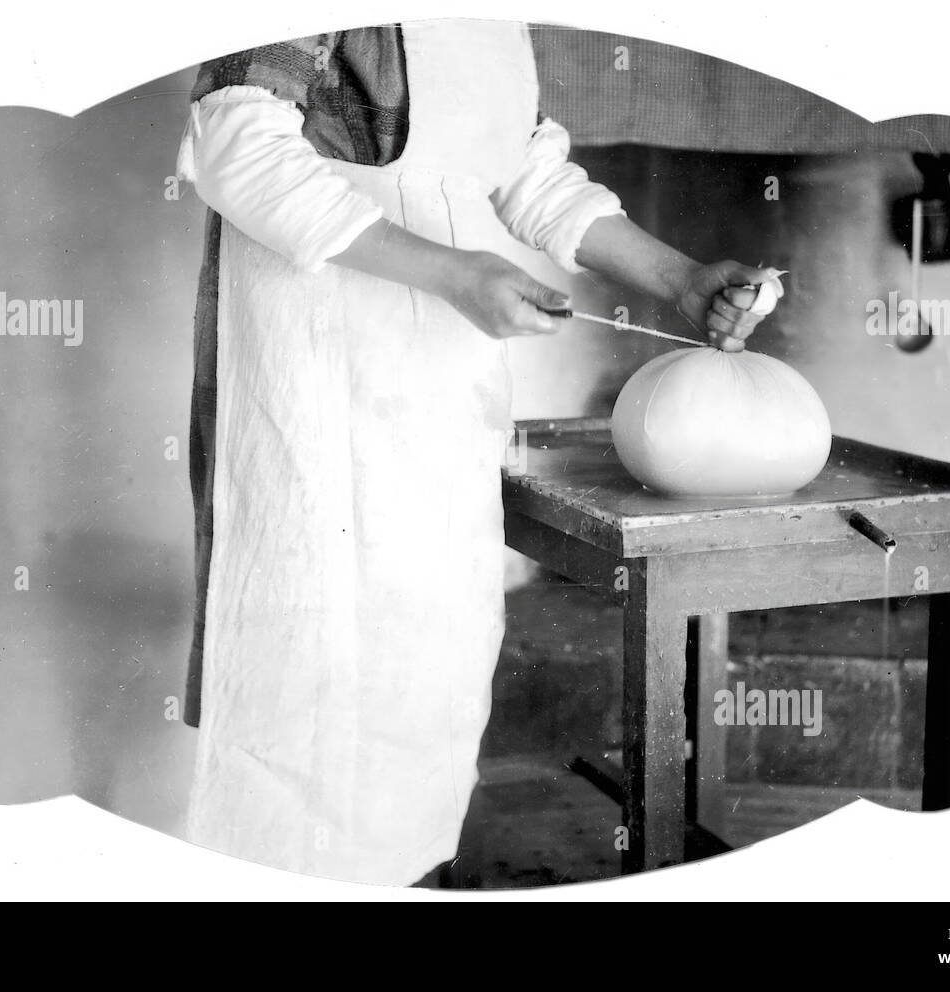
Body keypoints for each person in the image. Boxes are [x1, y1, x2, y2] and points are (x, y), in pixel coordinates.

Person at [176, 18, 781, 885]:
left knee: (430, 668)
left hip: (439, 382)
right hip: (320, 371)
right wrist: (456, 273)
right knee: (314, 681)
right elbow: (235, 146)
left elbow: (522, 173)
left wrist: (679, 279)